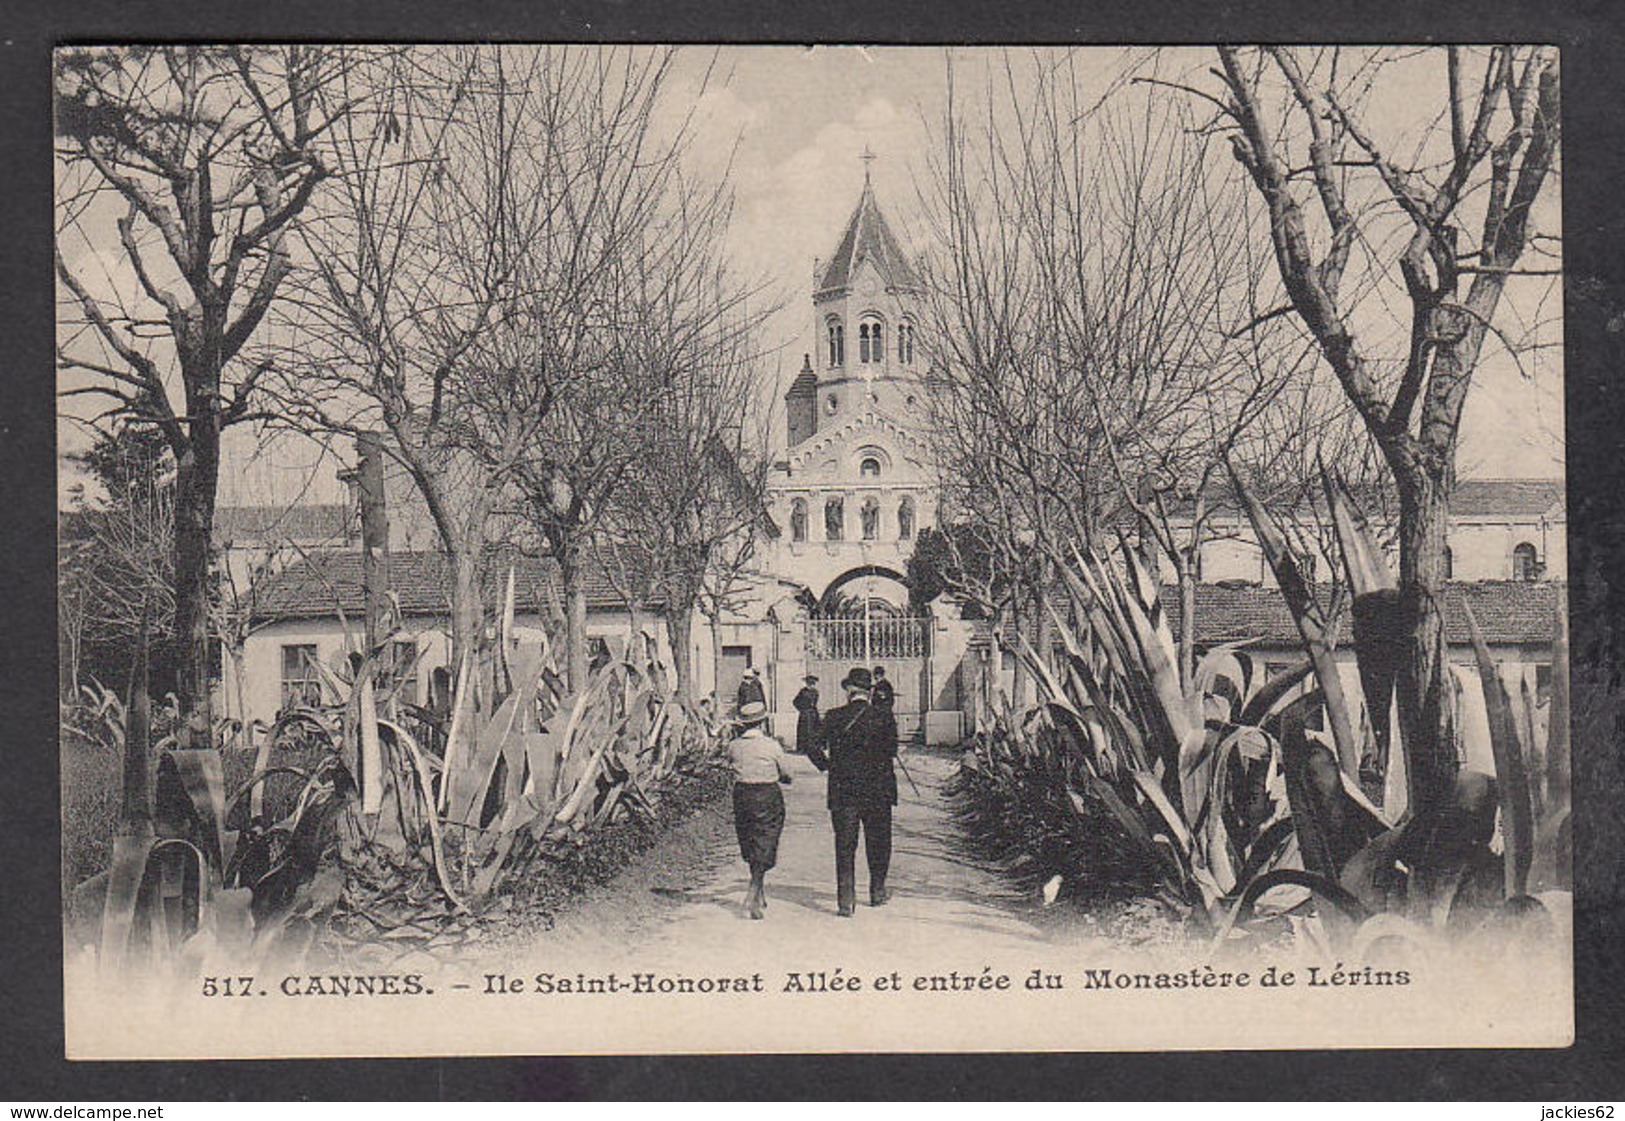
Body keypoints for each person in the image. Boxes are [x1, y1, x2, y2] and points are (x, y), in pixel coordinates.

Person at [804, 666, 898, 916]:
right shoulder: (884, 716)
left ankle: (846, 900)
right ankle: (877, 892)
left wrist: (828, 766)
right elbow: (892, 750)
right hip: (878, 791)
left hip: (843, 790)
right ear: (869, 692)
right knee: (879, 842)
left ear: (849, 691)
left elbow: (811, 745)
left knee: (845, 844)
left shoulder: (834, 716)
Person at [727, 699, 793, 920]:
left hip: (743, 795)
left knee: (750, 840)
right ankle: (752, 892)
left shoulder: (734, 746)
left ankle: (759, 892)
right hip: (767, 796)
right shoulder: (771, 746)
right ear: (763, 722)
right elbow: (787, 774)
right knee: (766, 840)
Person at [792, 674, 821, 754]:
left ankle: (811, 749)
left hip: (813, 713)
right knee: (804, 731)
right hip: (805, 714)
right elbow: (795, 701)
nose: (811, 685)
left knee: (813, 731)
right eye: (810, 683)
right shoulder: (803, 692)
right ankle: (802, 748)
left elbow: (815, 703)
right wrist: (801, 709)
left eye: (813, 683)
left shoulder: (815, 692)